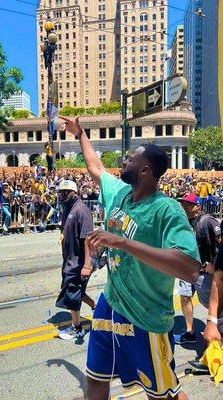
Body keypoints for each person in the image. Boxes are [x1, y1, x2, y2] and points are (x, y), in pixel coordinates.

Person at [60, 115, 201, 400]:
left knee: (162, 393)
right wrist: (80, 134)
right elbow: (95, 167)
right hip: (109, 305)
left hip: (146, 318)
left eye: (130, 160)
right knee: (96, 379)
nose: (123, 163)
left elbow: (189, 268)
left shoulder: (166, 210)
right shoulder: (121, 194)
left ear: (146, 170)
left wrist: (123, 243)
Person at [175, 193, 221, 345]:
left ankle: (214, 342)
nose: (184, 206)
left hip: (204, 272)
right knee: (184, 296)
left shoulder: (206, 220)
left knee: (213, 307)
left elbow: (221, 242)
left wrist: (215, 264)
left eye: (188, 204)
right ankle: (190, 332)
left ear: (198, 206)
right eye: (183, 203)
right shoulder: (182, 222)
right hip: (186, 269)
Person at [56, 179, 96, 341]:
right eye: (61, 192)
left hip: (78, 262)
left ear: (75, 192)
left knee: (72, 293)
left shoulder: (81, 210)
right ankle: (96, 306)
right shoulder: (68, 208)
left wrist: (87, 265)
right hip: (69, 260)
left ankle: (77, 328)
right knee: (76, 291)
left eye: (67, 192)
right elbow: (65, 227)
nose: (63, 195)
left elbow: (87, 239)